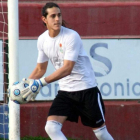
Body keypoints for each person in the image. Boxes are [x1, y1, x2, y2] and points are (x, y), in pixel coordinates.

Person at [21, 2, 114, 140]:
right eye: (53, 16)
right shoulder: (42, 40)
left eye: (59, 15)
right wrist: (26, 86)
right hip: (66, 93)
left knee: (100, 133)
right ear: (44, 19)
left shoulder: (72, 36)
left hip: (87, 90)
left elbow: (67, 69)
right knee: (51, 127)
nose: (57, 19)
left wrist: (40, 83)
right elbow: (40, 69)